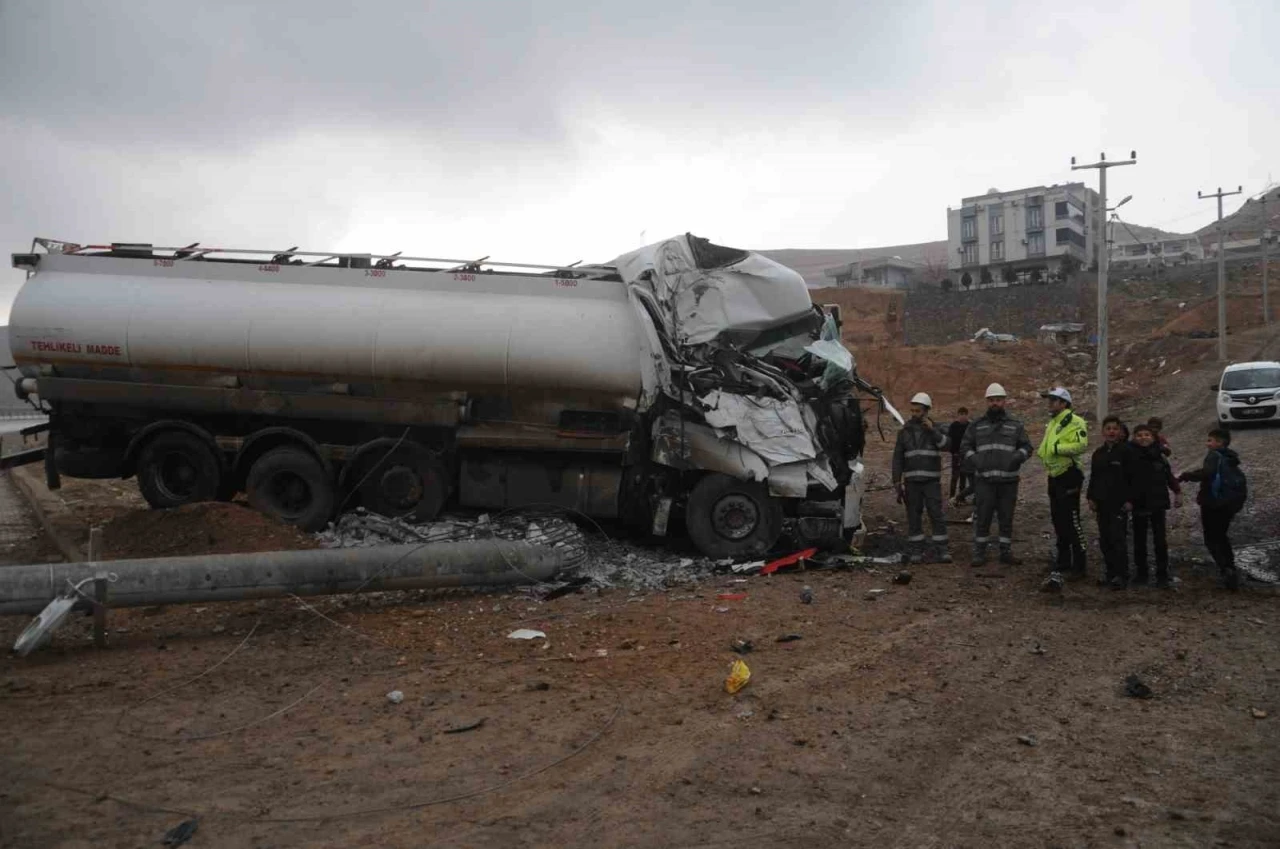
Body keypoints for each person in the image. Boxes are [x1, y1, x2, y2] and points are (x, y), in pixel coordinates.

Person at [960, 383, 1033, 566]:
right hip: (984, 482)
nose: (995, 403)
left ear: (1004, 401)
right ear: (987, 401)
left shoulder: (1015, 425)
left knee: (1006, 518)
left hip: (1008, 482)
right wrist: (975, 460)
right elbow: (965, 446)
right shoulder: (977, 425)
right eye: (991, 400)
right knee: (982, 518)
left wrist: (1018, 457)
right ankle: (979, 553)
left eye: (998, 400)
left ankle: (1005, 552)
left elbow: (1027, 447)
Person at [1178, 427, 1248, 590]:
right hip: (1228, 504)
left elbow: (1206, 474)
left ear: (1220, 442)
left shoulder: (1213, 456)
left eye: (1210, 440)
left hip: (1213, 503)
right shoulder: (1230, 457)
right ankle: (1230, 566)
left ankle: (1225, 569)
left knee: (1211, 538)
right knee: (1222, 536)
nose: (1207, 444)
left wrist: (1185, 476)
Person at [1035, 387, 1089, 578]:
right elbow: (1046, 445)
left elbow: (1082, 445)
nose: (1049, 403)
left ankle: (1080, 564)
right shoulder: (1053, 422)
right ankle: (1064, 560)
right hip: (1054, 475)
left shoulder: (1075, 421)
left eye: (1053, 400)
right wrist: (1043, 453)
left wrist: (1058, 449)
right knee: (1058, 519)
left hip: (1069, 474)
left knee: (1072, 520)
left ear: (1064, 403)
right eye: (1049, 400)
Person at [892, 392, 951, 564]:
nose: (915, 414)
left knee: (936, 514)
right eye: (913, 411)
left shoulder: (936, 429)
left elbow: (947, 446)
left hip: (931, 482)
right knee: (913, 516)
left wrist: (933, 431)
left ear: (926, 411)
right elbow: (898, 458)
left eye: (918, 411)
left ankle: (942, 549)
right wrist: (897, 481)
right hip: (911, 483)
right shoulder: (904, 431)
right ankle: (916, 549)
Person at [1130, 423, 1182, 588]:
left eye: (1147, 435)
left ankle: (1162, 575)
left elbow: (1169, 476)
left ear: (1153, 438)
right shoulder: (1129, 456)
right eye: (1139, 435)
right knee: (1139, 540)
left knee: (1160, 540)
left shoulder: (1160, 456)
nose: (1143, 437)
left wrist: (1178, 492)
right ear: (1134, 438)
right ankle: (1141, 573)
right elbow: (1124, 479)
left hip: (1158, 503)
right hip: (1138, 503)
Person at [1086, 415, 1136, 589]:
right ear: (1103, 432)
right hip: (1101, 503)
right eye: (1108, 429)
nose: (1111, 432)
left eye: (1115, 429)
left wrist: (1130, 500)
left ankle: (1122, 575)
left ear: (1120, 431)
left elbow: (1133, 479)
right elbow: (1094, 477)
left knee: (1118, 539)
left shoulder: (1126, 452)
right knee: (1105, 540)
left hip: (1119, 504)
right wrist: (1090, 497)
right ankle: (1110, 573)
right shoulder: (1098, 454)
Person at [947, 407, 972, 503]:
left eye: (964, 414)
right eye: (961, 414)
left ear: (967, 415)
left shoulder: (969, 426)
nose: (962, 416)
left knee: (963, 477)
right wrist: (954, 452)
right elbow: (950, 441)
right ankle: (952, 497)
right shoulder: (954, 426)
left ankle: (961, 497)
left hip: (966, 455)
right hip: (956, 455)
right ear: (958, 415)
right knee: (954, 477)